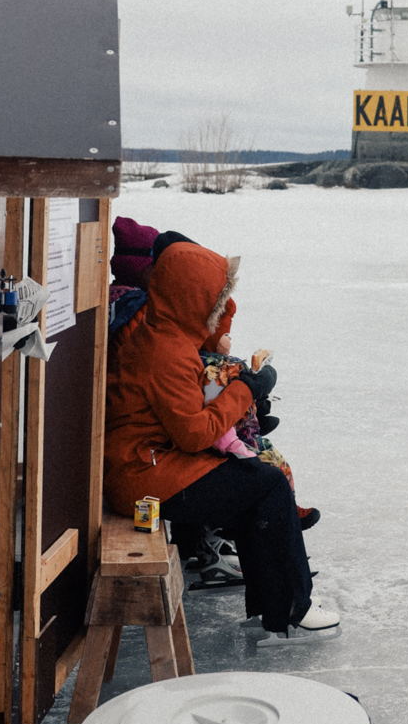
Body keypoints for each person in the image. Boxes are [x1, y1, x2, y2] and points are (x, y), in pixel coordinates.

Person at [104, 232, 338, 641]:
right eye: (214, 299)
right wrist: (248, 388)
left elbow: (189, 407)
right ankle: (293, 606)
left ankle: (273, 605)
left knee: (254, 484)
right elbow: (195, 434)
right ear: (193, 298)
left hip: (147, 463)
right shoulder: (167, 351)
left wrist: (240, 377)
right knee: (267, 484)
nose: (219, 307)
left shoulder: (166, 333)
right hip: (145, 476)